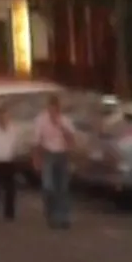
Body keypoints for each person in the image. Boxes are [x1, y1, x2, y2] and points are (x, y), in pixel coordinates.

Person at [33, 94, 76, 229]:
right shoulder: (40, 120)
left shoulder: (65, 120)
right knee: (49, 186)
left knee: (62, 187)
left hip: (62, 154)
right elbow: (36, 141)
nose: (53, 111)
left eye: (56, 108)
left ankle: (63, 217)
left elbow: (71, 140)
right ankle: (50, 213)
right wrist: (36, 158)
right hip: (48, 154)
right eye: (51, 107)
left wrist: (60, 126)